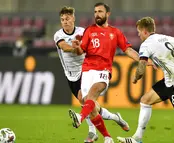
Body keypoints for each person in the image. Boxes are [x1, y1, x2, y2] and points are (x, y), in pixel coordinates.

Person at [53, 6, 130, 143]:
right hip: (70, 75)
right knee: (90, 105)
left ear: (73, 18)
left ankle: (93, 132)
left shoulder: (83, 32)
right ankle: (114, 118)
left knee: (85, 100)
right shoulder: (58, 35)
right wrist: (75, 48)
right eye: (63, 19)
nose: (65, 21)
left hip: (86, 70)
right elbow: (64, 47)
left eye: (68, 18)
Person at [68, 2, 142, 143]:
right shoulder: (89, 30)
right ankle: (109, 134)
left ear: (108, 14)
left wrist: (143, 60)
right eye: (95, 12)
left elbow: (128, 50)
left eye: (100, 11)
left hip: (103, 71)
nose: (97, 14)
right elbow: (80, 51)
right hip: (87, 70)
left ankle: (80, 117)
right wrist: (76, 47)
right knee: (90, 106)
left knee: (91, 96)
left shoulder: (115, 32)